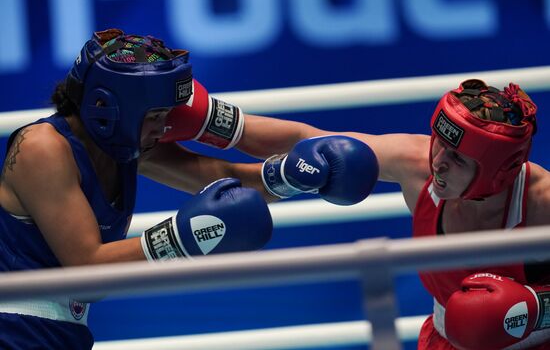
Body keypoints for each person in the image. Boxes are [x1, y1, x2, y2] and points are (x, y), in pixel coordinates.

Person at [0, 29, 379, 349]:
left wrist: (289, 177)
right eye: (155, 117)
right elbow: (88, 268)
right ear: (107, 107)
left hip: (56, 334)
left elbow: (218, 173)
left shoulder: (121, 147)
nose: (164, 129)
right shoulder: (42, 148)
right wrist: (184, 237)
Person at [164, 77, 550, 349]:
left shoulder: (541, 201)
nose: (439, 163)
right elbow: (312, 142)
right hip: (444, 341)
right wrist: (206, 121)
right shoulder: (418, 166)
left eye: (458, 159)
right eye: (439, 145)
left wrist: (537, 311)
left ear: (502, 170)